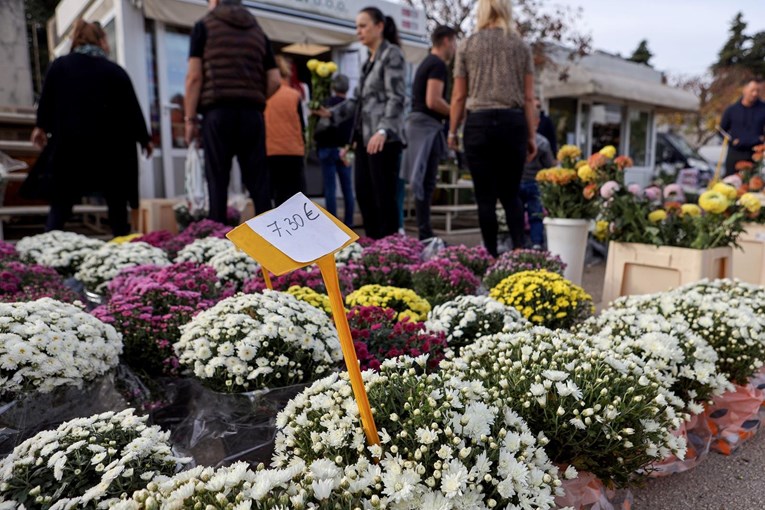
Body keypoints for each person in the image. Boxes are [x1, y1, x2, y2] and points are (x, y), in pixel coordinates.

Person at [22, 19, 152, 237]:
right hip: (111, 154)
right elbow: (132, 110)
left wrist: (41, 127)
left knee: (61, 203)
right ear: (101, 40)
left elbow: (46, 100)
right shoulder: (115, 71)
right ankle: (123, 253)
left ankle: (47, 251)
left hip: (71, 150)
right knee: (117, 206)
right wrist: (144, 139)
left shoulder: (61, 66)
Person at [448, 0, 537, 257]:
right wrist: (531, 135)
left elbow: (458, 96)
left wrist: (453, 131)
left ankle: (489, 256)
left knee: (484, 197)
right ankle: (518, 252)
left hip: (479, 123)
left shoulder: (467, 45)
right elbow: (529, 97)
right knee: (511, 194)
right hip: (513, 123)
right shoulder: (521, 46)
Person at [313, 6, 406, 240]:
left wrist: (383, 129)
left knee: (383, 197)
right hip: (366, 139)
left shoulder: (391, 54)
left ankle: (392, 251)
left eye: (363, 26)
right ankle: (375, 250)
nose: (359, 31)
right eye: (357, 26)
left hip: (384, 139)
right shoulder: (368, 61)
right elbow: (357, 101)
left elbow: (397, 97)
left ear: (379, 26)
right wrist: (331, 113)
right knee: (364, 195)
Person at [183, 0, 281, 222]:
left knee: (217, 180)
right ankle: (271, 240)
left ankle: (217, 239)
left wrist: (190, 120)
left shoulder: (204, 26)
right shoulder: (258, 32)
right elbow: (275, 80)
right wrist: (253, 96)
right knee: (258, 182)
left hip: (218, 112)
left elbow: (194, 77)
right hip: (252, 114)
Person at [400, 25, 458, 241]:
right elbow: (433, 100)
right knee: (425, 181)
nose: (455, 47)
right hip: (425, 127)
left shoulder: (427, 62)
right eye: (454, 42)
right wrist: (457, 111)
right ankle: (425, 233)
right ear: (446, 41)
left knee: (421, 181)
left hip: (419, 126)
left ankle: (425, 231)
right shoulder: (437, 64)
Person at [265, 55, 306, 207]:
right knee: (298, 198)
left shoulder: (264, 95)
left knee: (278, 196)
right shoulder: (294, 95)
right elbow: (301, 125)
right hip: (293, 151)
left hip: (271, 150)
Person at [314, 74, 355, 226]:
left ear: (333, 87)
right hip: (346, 150)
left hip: (327, 148)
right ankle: (349, 223)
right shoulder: (351, 106)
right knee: (347, 188)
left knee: (330, 188)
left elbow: (319, 129)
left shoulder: (326, 104)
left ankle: (332, 225)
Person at [521, 108, 556, 250]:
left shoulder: (516, 140)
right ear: (537, 121)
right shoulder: (542, 142)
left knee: (516, 215)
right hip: (535, 183)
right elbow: (549, 166)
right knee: (535, 215)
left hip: (517, 182)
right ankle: (536, 243)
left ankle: (519, 242)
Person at [720, 78, 765, 176]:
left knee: (754, 186)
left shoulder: (763, 109)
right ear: (744, 89)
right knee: (730, 184)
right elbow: (721, 130)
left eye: (757, 91)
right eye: (752, 90)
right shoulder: (731, 110)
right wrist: (732, 141)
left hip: (756, 155)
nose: (755, 93)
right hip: (735, 154)